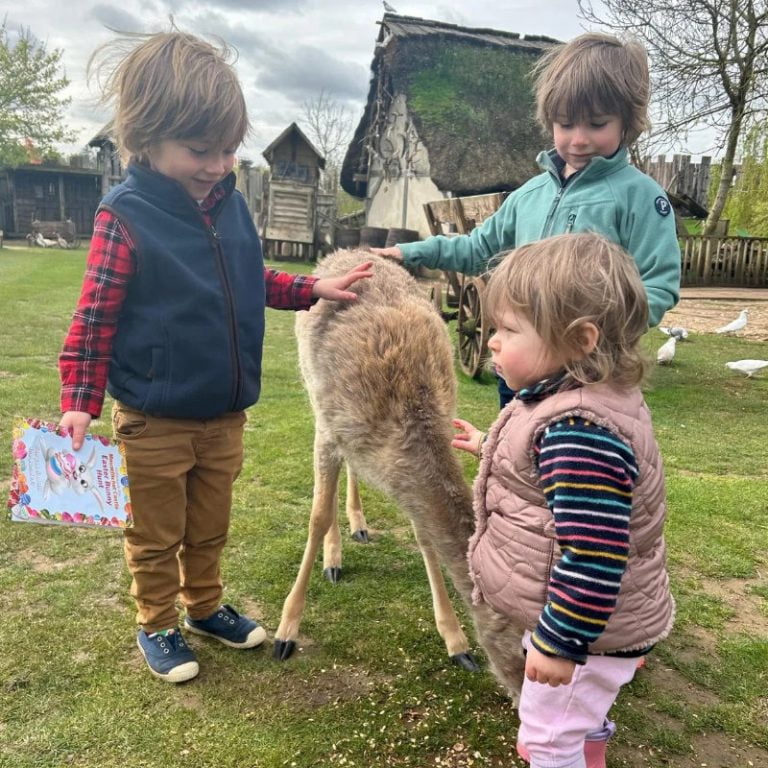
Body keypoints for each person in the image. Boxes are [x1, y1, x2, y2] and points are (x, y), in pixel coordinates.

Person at [57, 30, 372, 684]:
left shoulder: (228, 206)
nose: (217, 164)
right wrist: (79, 403)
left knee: (209, 527)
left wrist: (311, 289)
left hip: (224, 416)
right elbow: (94, 318)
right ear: (147, 137)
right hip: (154, 420)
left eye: (229, 150)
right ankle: (157, 625)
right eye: (200, 150)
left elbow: (249, 279)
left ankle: (203, 608)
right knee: (155, 535)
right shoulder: (126, 215)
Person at [453, 233, 674, 768]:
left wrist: (560, 642)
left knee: (547, 741)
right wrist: (490, 445)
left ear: (579, 340)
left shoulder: (578, 431)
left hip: (586, 630)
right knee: (580, 716)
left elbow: (594, 552)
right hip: (593, 621)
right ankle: (589, 748)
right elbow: (552, 487)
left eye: (508, 329)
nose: (491, 342)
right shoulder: (577, 404)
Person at [372, 33, 681, 406]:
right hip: (520, 366)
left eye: (597, 124)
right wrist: (409, 253)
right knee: (510, 456)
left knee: (572, 463)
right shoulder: (529, 194)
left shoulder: (642, 198)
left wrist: (592, 333)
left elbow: (658, 288)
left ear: (627, 122)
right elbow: (476, 248)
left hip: (586, 377)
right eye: (565, 124)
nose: (578, 139)